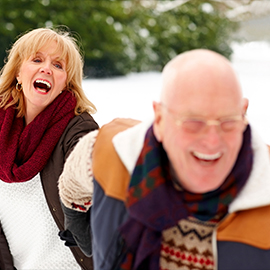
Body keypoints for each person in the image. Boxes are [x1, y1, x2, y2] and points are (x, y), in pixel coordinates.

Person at [59, 49, 270, 270]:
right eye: (193, 122)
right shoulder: (110, 151)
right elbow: (71, 185)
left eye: (227, 121)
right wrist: (84, 234)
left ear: (243, 113)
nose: (212, 141)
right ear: (159, 119)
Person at [0, 27, 98, 270]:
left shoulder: (78, 128)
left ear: (66, 82)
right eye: (37, 59)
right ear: (18, 74)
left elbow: (93, 170)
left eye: (58, 65)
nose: (46, 68)